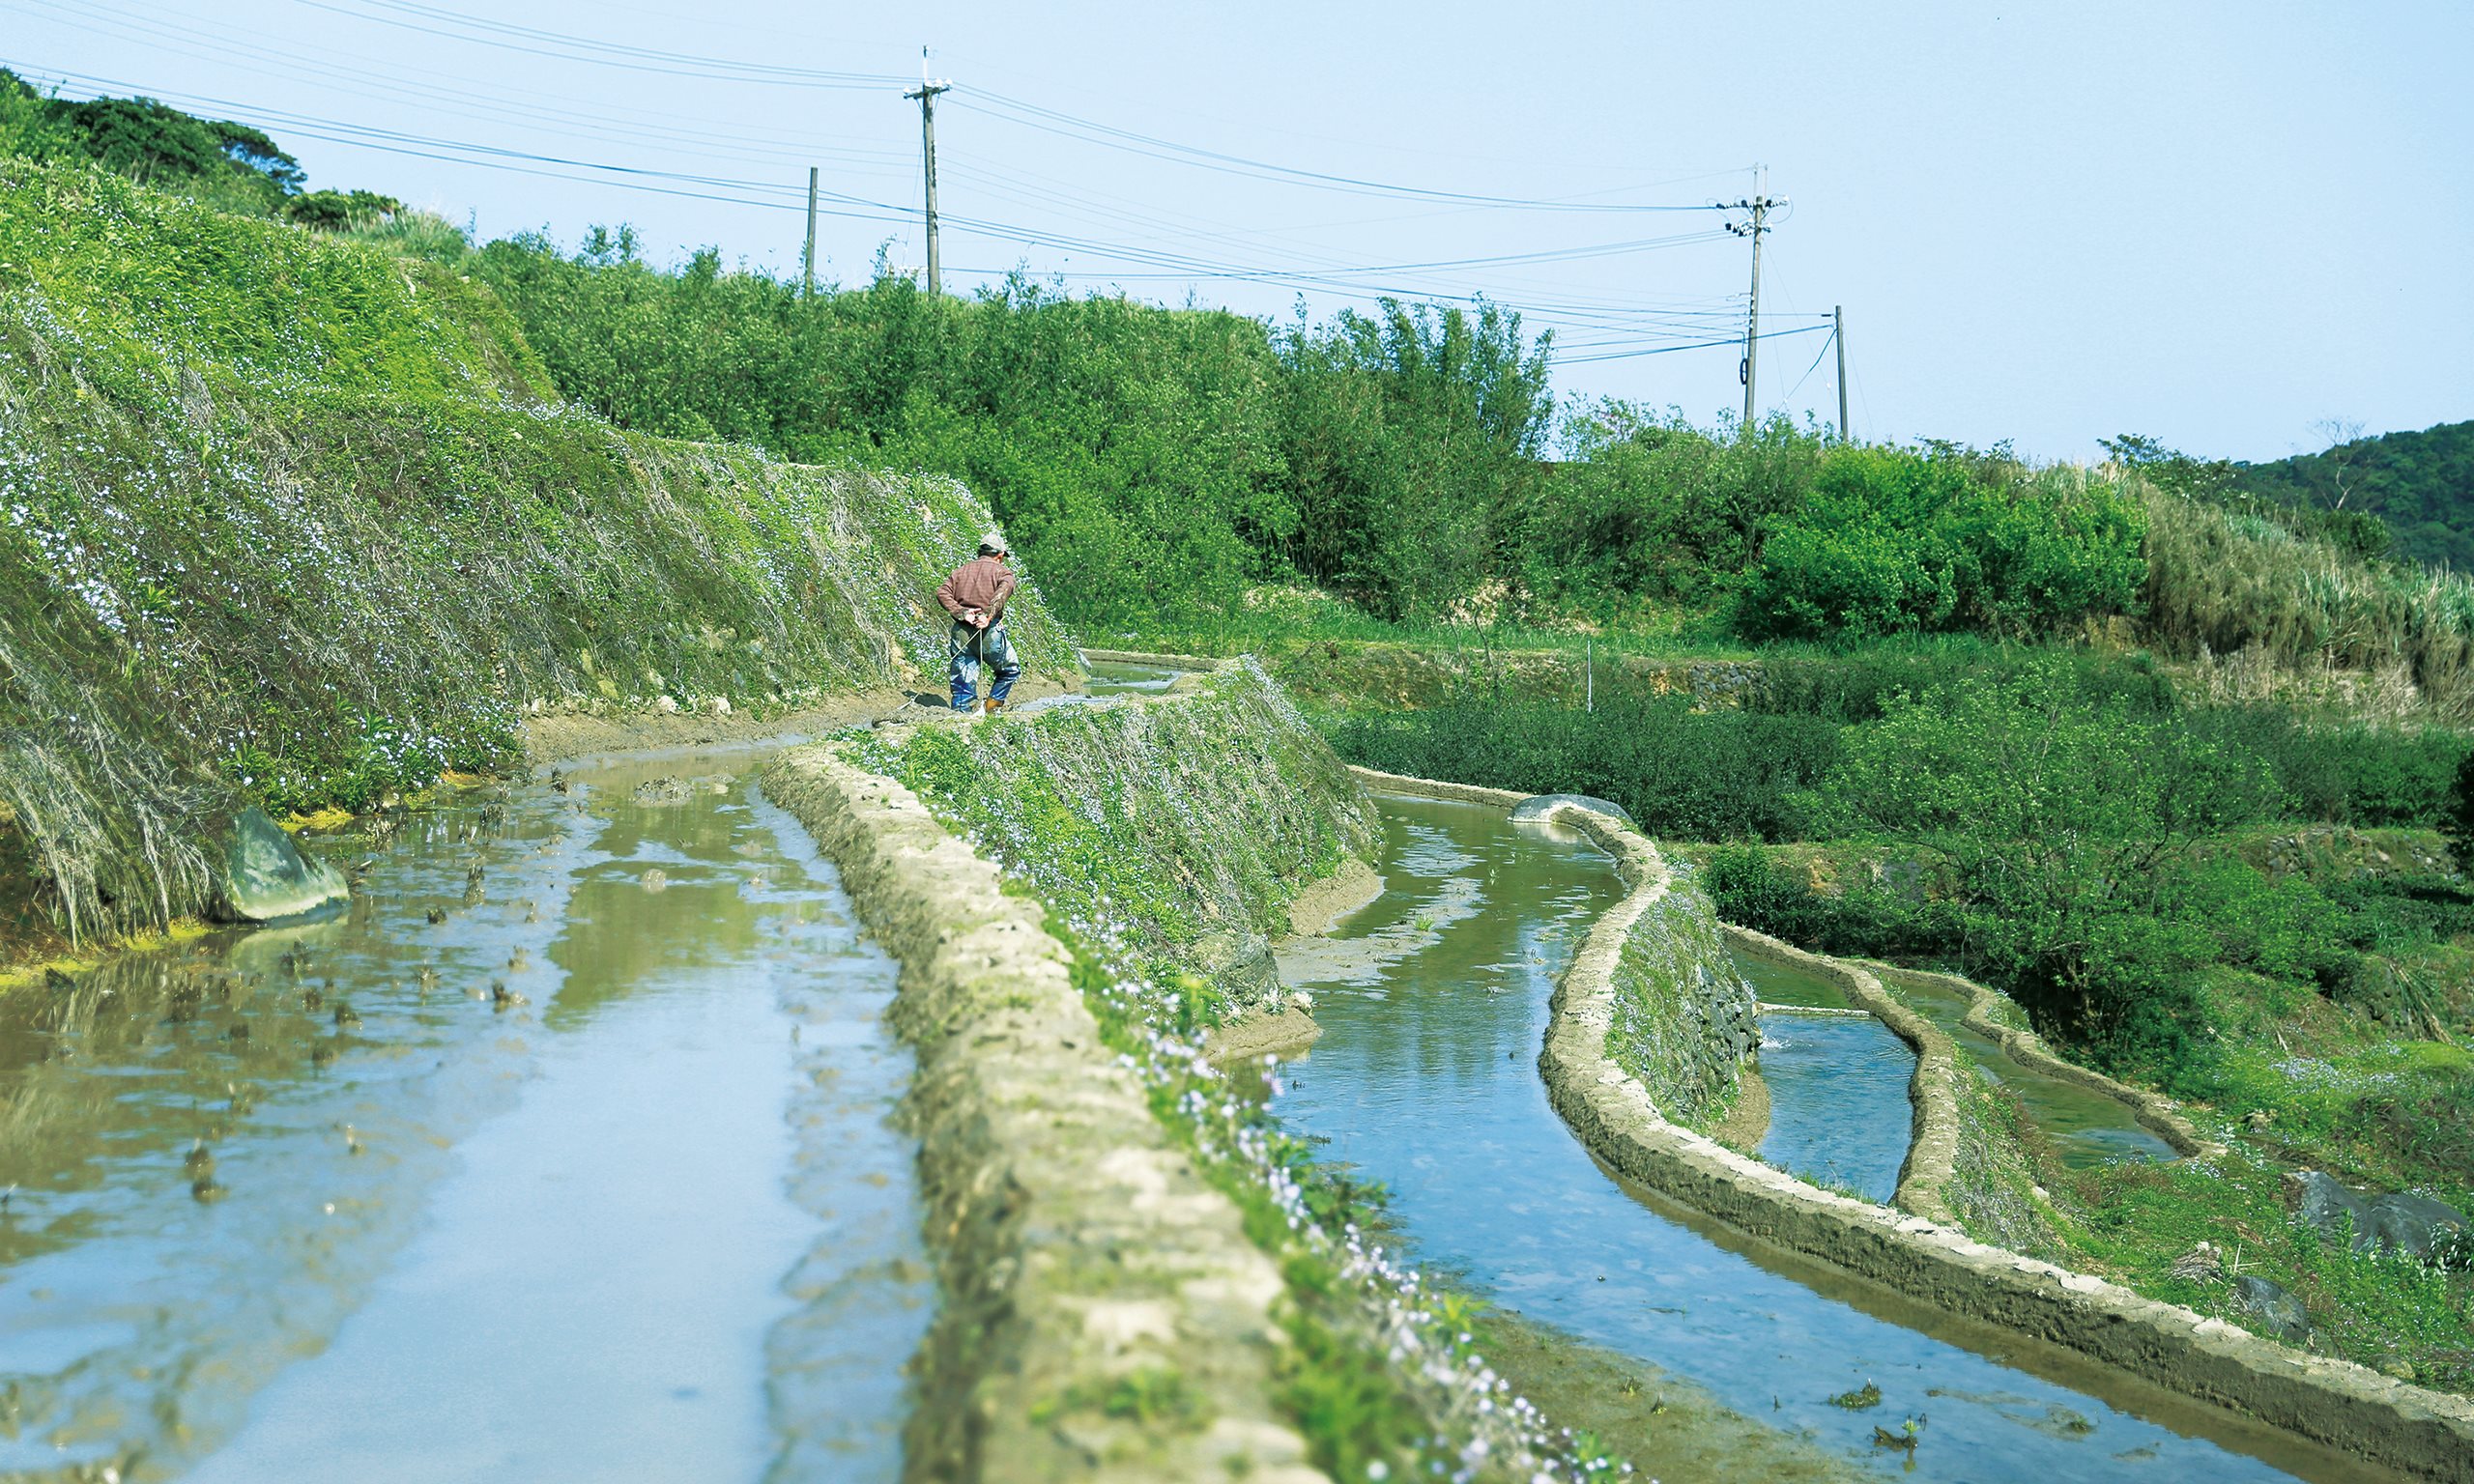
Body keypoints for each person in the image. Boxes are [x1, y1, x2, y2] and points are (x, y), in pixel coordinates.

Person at [935, 531, 1022, 715]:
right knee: (1009, 670)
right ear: (999, 555)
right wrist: (988, 615)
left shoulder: (960, 571)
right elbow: (1003, 592)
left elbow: (942, 592)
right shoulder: (1003, 572)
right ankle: (990, 709)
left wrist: (961, 612)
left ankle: (959, 717)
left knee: (963, 679)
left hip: (962, 631)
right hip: (989, 631)